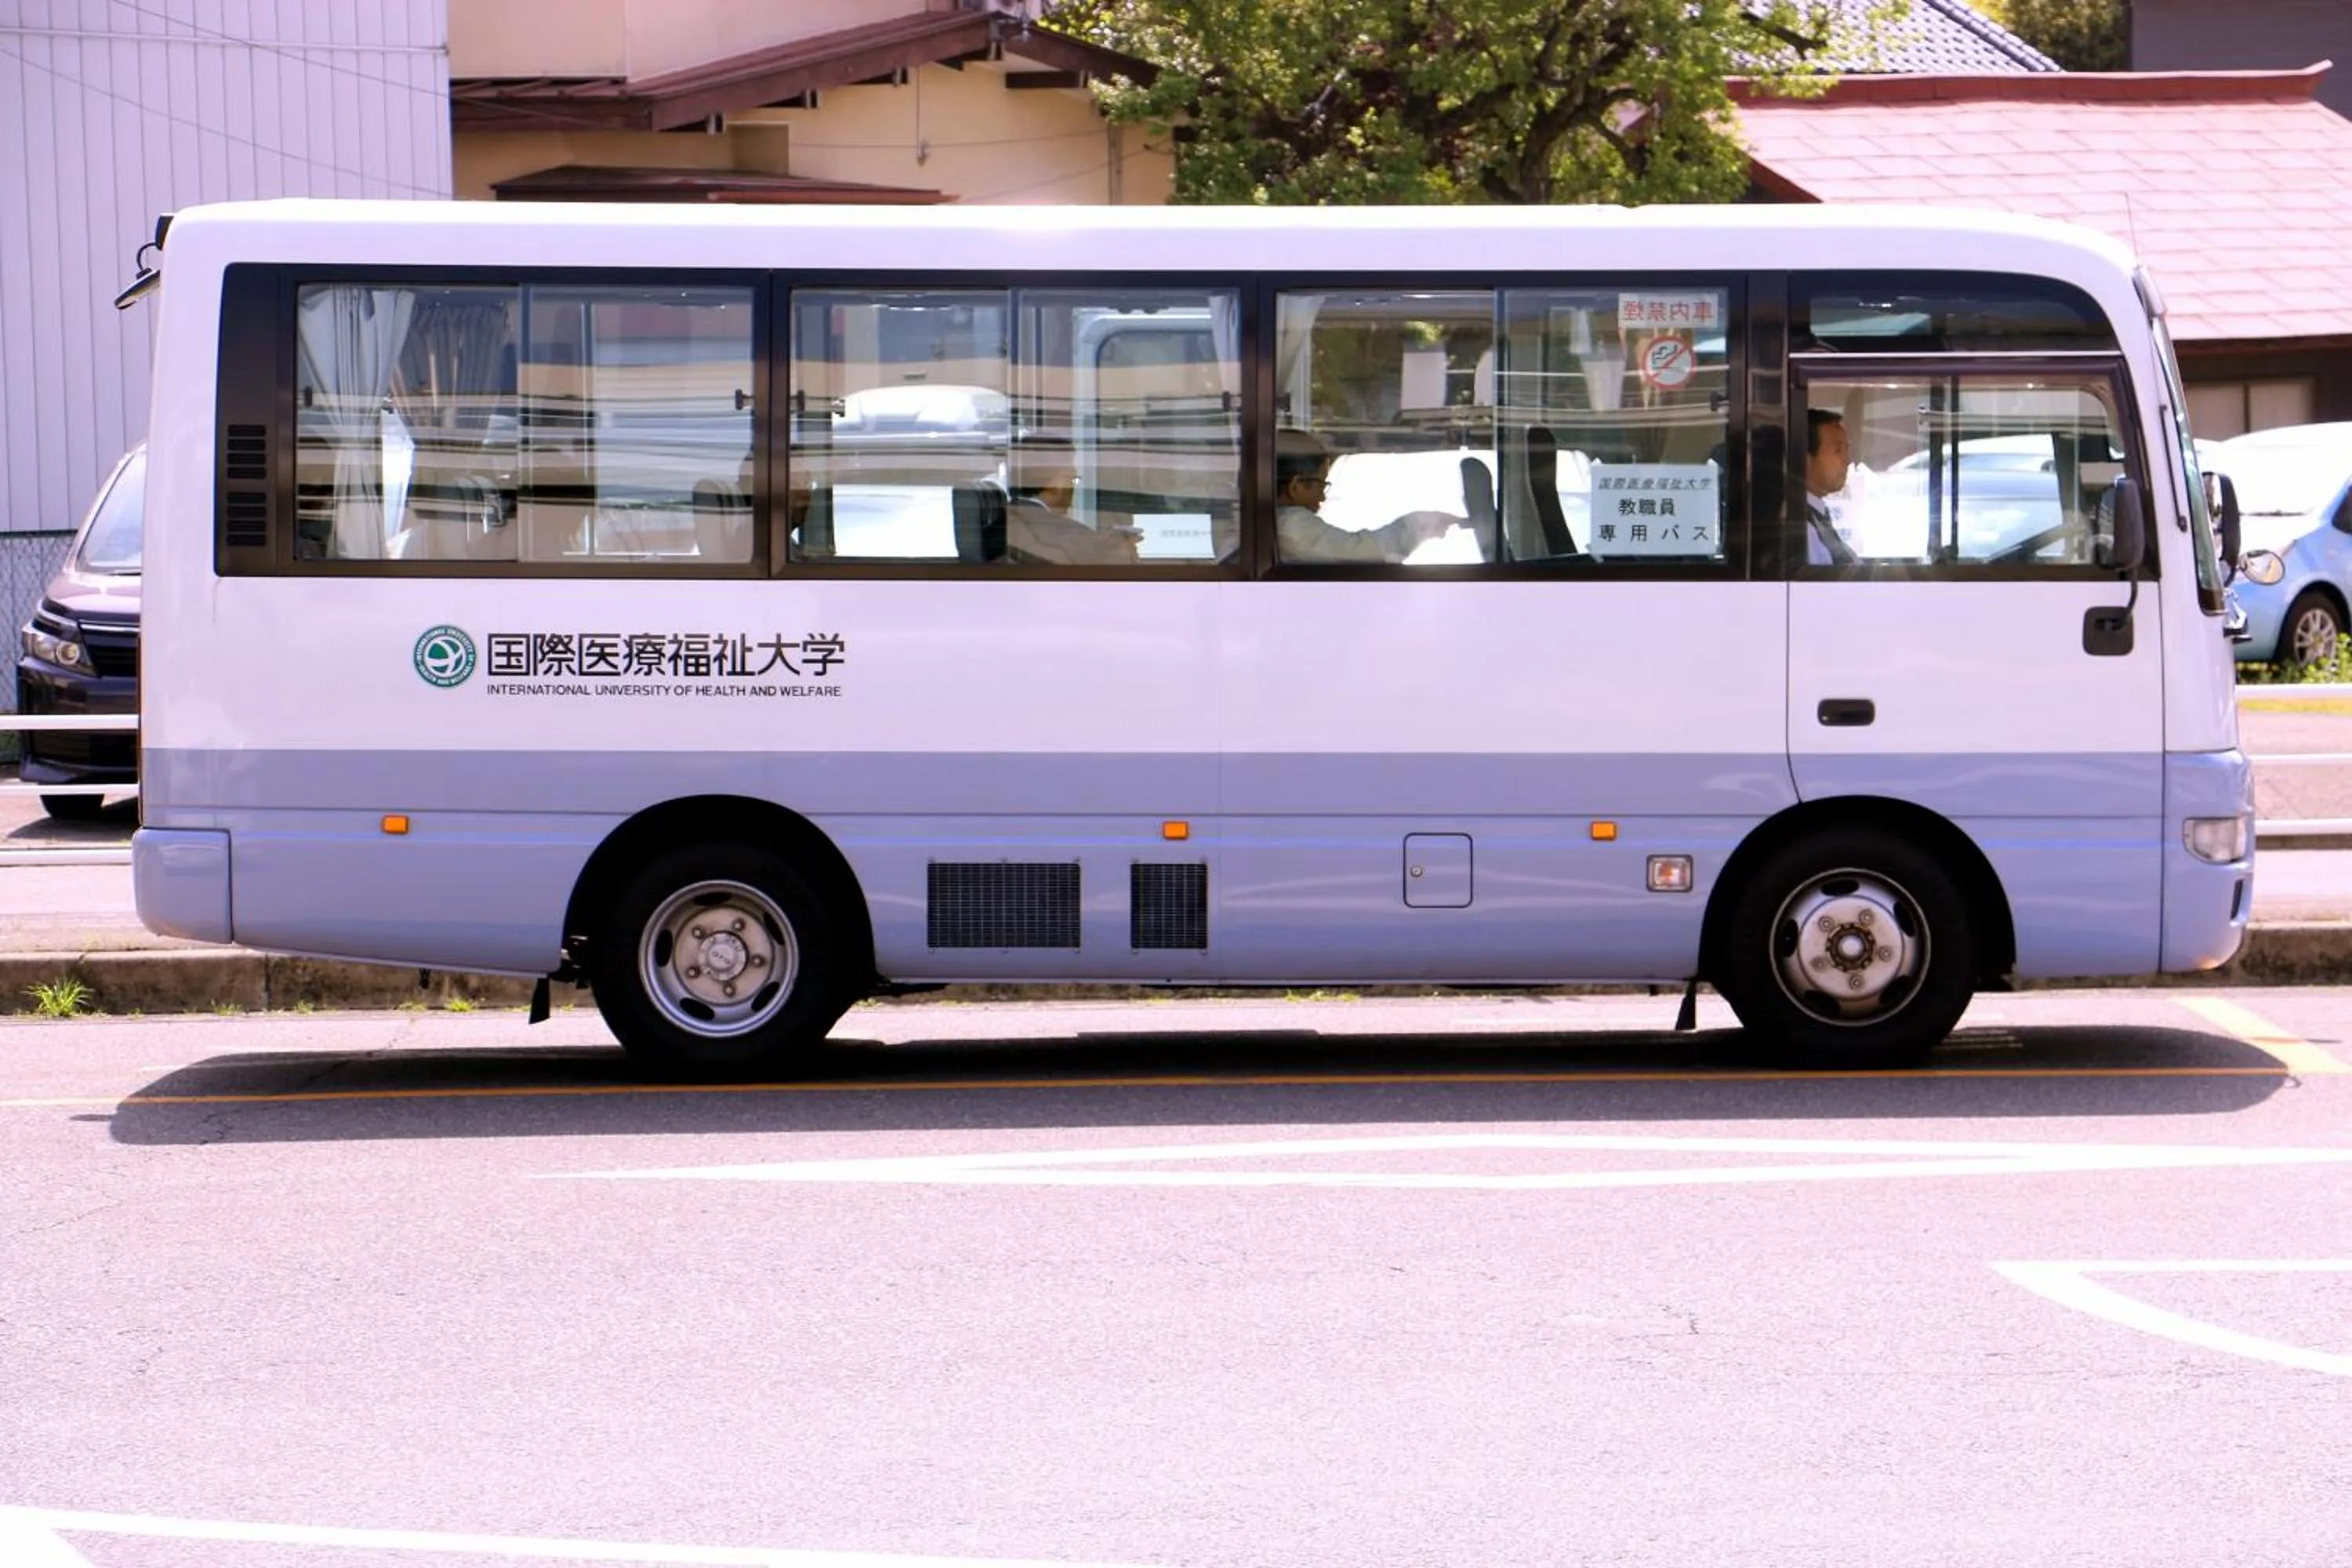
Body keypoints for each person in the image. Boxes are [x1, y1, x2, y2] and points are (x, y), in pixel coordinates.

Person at [1275, 428, 1461, 565]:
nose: (1323, 497)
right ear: (1296, 486)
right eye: (1321, 485)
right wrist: (1421, 523)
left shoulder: (1271, 523)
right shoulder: (1289, 525)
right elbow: (1366, 553)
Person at [1004, 441, 1138, 566]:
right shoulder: (1065, 532)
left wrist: (1104, 545)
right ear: (1050, 483)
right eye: (1072, 479)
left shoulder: (1007, 519)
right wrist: (1121, 551)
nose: (1074, 486)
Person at [1805, 408, 1857, 566]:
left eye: (1846, 450)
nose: (1847, 461)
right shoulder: (1802, 530)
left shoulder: (1817, 515)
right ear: (1806, 459)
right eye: (1838, 451)